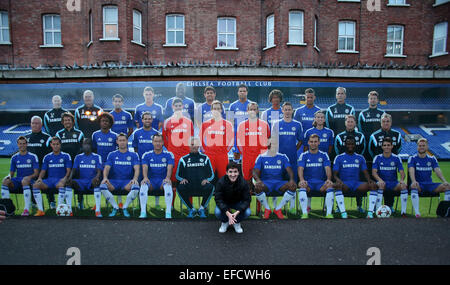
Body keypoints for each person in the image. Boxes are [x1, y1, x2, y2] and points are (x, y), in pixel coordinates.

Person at [252, 137, 297, 220]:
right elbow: (254, 171)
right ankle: (267, 209)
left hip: (279, 183)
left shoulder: (283, 157)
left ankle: (278, 209)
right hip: (266, 183)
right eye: (270, 143)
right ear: (267, 144)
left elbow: (289, 170)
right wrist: (258, 180)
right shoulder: (261, 157)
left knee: (293, 186)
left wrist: (291, 179)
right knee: (257, 187)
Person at [333, 136, 377, 219]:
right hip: (345, 183)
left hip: (357, 183)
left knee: (373, 185)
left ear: (355, 145)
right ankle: (343, 213)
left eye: (352, 144)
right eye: (348, 144)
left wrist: (369, 180)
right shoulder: (339, 157)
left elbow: (365, 172)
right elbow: (334, 174)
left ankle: (370, 213)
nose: (350, 146)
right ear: (345, 145)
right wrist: (338, 180)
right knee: (337, 185)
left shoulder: (360, 157)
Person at [271, 102, 303, 213]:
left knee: (292, 182)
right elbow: (273, 140)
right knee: (276, 181)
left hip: (292, 158)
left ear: (292, 111)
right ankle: (275, 207)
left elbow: (301, 140)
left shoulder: (297, 124)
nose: (288, 111)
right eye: (286, 109)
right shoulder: (276, 124)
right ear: (282, 111)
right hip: (279, 159)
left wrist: (294, 148)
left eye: (290, 109)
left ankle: (292, 207)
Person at [100, 133, 140, 218]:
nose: (122, 142)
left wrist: (135, 179)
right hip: (114, 182)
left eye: (124, 140)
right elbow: (107, 168)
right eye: (120, 140)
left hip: (127, 182)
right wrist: (105, 178)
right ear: (117, 142)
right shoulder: (112, 154)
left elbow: (137, 168)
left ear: (127, 141)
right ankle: (115, 207)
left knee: (136, 186)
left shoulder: (133, 155)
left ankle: (125, 207)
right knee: (102, 185)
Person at [408, 138, 450, 218]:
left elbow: (437, 170)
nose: (422, 147)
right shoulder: (412, 158)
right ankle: (417, 213)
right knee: (414, 186)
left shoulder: (432, 158)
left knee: (447, 186)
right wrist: (413, 181)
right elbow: (411, 170)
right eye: (420, 146)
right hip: (419, 184)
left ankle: (446, 211)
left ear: (427, 147)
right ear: (417, 147)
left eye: (423, 146)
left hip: (429, 184)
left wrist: (444, 181)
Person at [368, 113, 402, 209]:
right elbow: (371, 150)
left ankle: (389, 206)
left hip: (391, 166)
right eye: (383, 121)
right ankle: (376, 207)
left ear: (391, 122)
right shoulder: (374, 135)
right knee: (378, 185)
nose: (385, 123)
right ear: (380, 123)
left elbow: (398, 148)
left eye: (387, 121)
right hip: (378, 166)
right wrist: (378, 160)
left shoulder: (397, 134)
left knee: (390, 186)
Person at [297, 134, 335, 219]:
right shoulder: (303, 155)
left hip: (320, 183)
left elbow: (328, 168)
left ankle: (328, 213)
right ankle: (304, 213)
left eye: (315, 141)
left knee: (330, 185)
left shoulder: (324, 155)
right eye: (311, 141)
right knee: (302, 185)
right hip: (308, 183)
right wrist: (302, 180)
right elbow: (300, 169)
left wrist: (328, 180)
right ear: (308, 143)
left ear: (319, 142)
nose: (313, 143)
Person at [32, 137, 72, 216]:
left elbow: (68, 170)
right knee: (35, 185)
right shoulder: (47, 157)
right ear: (51, 145)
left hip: (60, 180)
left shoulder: (66, 156)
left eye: (57, 144)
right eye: (54, 144)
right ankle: (40, 210)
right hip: (50, 180)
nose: (56, 146)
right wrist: (39, 178)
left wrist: (64, 179)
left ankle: (59, 210)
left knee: (61, 185)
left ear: (60, 145)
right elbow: (43, 171)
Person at [176, 137, 215, 218]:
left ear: (199, 146)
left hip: (201, 186)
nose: (194, 146)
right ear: (189, 146)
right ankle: (191, 209)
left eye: (196, 145)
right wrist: (182, 179)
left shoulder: (205, 158)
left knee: (211, 187)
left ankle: (201, 209)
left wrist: (207, 180)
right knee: (180, 187)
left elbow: (211, 174)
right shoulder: (183, 159)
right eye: (192, 144)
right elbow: (178, 175)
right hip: (189, 186)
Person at [1, 136, 39, 216]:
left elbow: (36, 173)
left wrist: (29, 177)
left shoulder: (33, 156)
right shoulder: (14, 157)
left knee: (24, 180)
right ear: (17, 145)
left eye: (24, 143)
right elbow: (11, 173)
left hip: (30, 181)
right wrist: (8, 177)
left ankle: (26, 209)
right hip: (18, 180)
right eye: (20, 144)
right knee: (5, 181)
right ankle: (8, 209)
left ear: (27, 144)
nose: (22, 145)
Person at [139, 134, 175, 219]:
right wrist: (145, 177)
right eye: (155, 141)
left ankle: (168, 213)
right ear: (152, 142)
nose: (157, 143)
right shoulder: (146, 155)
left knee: (168, 185)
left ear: (162, 142)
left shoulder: (169, 155)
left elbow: (169, 168)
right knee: (143, 185)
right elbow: (145, 167)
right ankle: (143, 212)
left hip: (162, 181)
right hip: (151, 181)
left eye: (159, 141)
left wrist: (168, 178)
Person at [66, 138, 103, 217]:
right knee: (69, 183)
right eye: (84, 144)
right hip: (81, 182)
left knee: (96, 182)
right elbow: (74, 169)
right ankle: (69, 210)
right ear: (82, 146)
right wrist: (70, 177)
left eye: (88, 144)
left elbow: (99, 170)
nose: (86, 146)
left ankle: (98, 211)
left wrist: (97, 177)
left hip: (91, 181)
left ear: (91, 146)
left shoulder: (97, 157)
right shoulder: (78, 157)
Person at [372, 137, 407, 216]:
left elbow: (402, 172)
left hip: (393, 183)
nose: (386, 147)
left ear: (392, 146)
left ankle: (403, 212)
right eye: (384, 145)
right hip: (382, 183)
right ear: (382, 147)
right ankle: (378, 210)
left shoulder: (397, 158)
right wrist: (380, 180)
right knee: (380, 185)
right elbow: (374, 172)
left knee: (403, 186)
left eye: (388, 145)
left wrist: (401, 180)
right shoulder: (377, 158)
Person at [56, 112, 85, 208]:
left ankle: (80, 202)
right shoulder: (59, 134)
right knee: (64, 182)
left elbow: (82, 148)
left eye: (69, 120)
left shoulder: (79, 133)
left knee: (78, 182)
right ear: (62, 122)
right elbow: (57, 149)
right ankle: (63, 203)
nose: (67, 122)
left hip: (76, 163)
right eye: (65, 120)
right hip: (63, 164)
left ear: (73, 121)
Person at [25, 116, 54, 208]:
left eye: (37, 123)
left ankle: (51, 201)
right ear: (30, 124)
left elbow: (51, 153)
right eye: (33, 123)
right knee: (31, 183)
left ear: (41, 125)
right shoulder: (26, 138)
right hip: (31, 168)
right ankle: (35, 203)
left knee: (46, 184)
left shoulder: (47, 138)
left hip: (44, 167)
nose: (35, 125)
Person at [237, 102, 271, 182]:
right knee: (247, 178)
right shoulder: (242, 125)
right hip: (247, 157)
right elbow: (239, 142)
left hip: (260, 156)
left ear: (258, 111)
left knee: (261, 178)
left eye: (254, 109)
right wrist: (244, 152)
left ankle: (260, 193)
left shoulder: (264, 124)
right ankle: (248, 193)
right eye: (251, 109)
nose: (252, 111)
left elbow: (269, 140)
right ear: (247, 111)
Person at [214, 161, 252, 234]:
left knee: (247, 212)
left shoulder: (243, 182)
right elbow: (218, 199)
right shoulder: (221, 182)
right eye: (230, 172)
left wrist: (238, 212)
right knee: (217, 212)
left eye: (235, 172)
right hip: (225, 203)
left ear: (238, 172)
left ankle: (236, 222)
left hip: (237, 203)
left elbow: (247, 200)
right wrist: (228, 213)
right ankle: (225, 222)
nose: (233, 174)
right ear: (226, 173)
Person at [162, 98, 194, 182]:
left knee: (187, 177)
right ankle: (172, 194)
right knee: (173, 178)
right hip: (173, 154)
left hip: (186, 154)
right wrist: (170, 148)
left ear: (182, 106)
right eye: (176, 106)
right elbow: (164, 139)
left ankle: (187, 195)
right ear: (173, 107)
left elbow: (192, 137)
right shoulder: (167, 122)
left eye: (180, 105)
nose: (178, 107)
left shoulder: (188, 121)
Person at [200, 100, 234, 180]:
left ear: (221, 110)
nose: (216, 110)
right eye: (214, 108)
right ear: (211, 110)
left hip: (222, 155)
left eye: (218, 108)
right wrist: (205, 151)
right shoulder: (205, 124)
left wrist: (225, 151)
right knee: (208, 177)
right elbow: (200, 140)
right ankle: (209, 192)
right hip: (209, 154)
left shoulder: (227, 124)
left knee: (223, 177)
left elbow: (231, 140)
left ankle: (222, 192)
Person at [228, 84, 253, 162]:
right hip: (236, 135)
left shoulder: (252, 105)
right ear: (238, 92)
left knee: (248, 156)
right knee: (236, 155)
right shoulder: (232, 105)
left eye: (244, 91)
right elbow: (230, 121)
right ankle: (236, 173)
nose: (242, 93)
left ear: (247, 92)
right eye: (240, 91)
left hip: (248, 135)